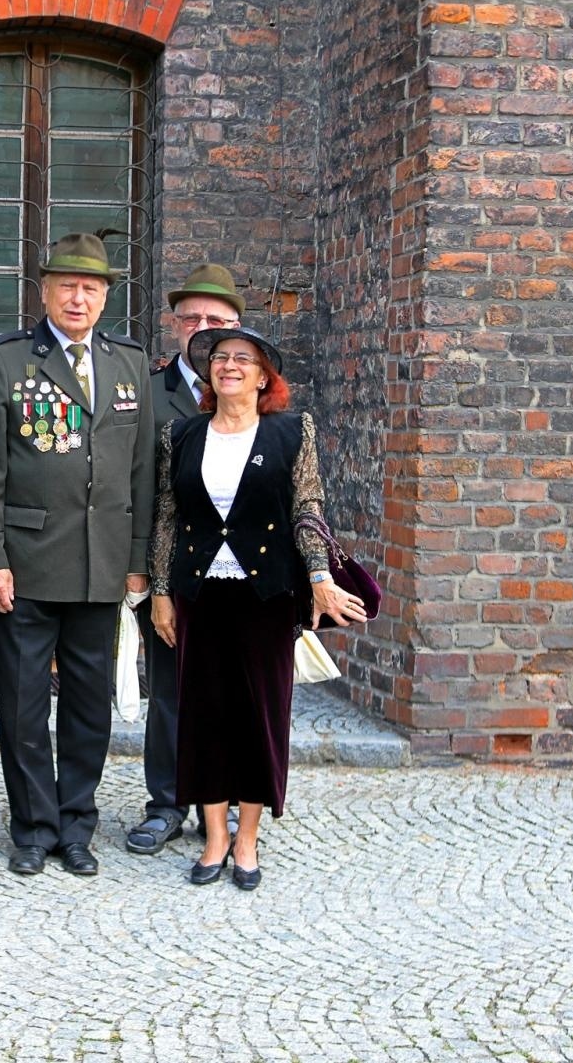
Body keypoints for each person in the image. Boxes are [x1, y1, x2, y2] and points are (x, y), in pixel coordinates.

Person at [150, 325, 365, 890]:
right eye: (221, 358)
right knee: (204, 715)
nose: (230, 366)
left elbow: (308, 505)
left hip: (265, 594)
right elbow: (169, 516)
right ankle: (214, 836)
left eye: (243, 359)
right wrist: (162, 593)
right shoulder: (182, 434)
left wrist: (318, 574)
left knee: (259, 716)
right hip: (201, 592)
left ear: (265, 375)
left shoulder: (293, 432)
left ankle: (247, 838)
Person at [0, 232, 154, 878]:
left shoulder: (130, 364)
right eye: (67, 286)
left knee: (86, 705)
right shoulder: (7, 358)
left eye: (91, 287)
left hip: (101, 565)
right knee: (21, 704)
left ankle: (76, 824)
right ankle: (32, 826)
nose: (79, 297)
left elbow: (140, 473)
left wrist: (137, 560)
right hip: (24, 562)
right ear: (43, 290)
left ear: (106, 297)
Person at [127, 263, 244, 857]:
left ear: (237, 328)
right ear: (175, 326)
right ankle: (167, 804)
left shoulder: (255, 393)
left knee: (232, 692)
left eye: (217, 321)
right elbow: (137, 489)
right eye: (193, 318)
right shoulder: (149, 394)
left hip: (240, 575)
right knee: (171, 691)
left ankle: (221, 810)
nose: (204, 329)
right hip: (172, 570)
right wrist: (145, 573)